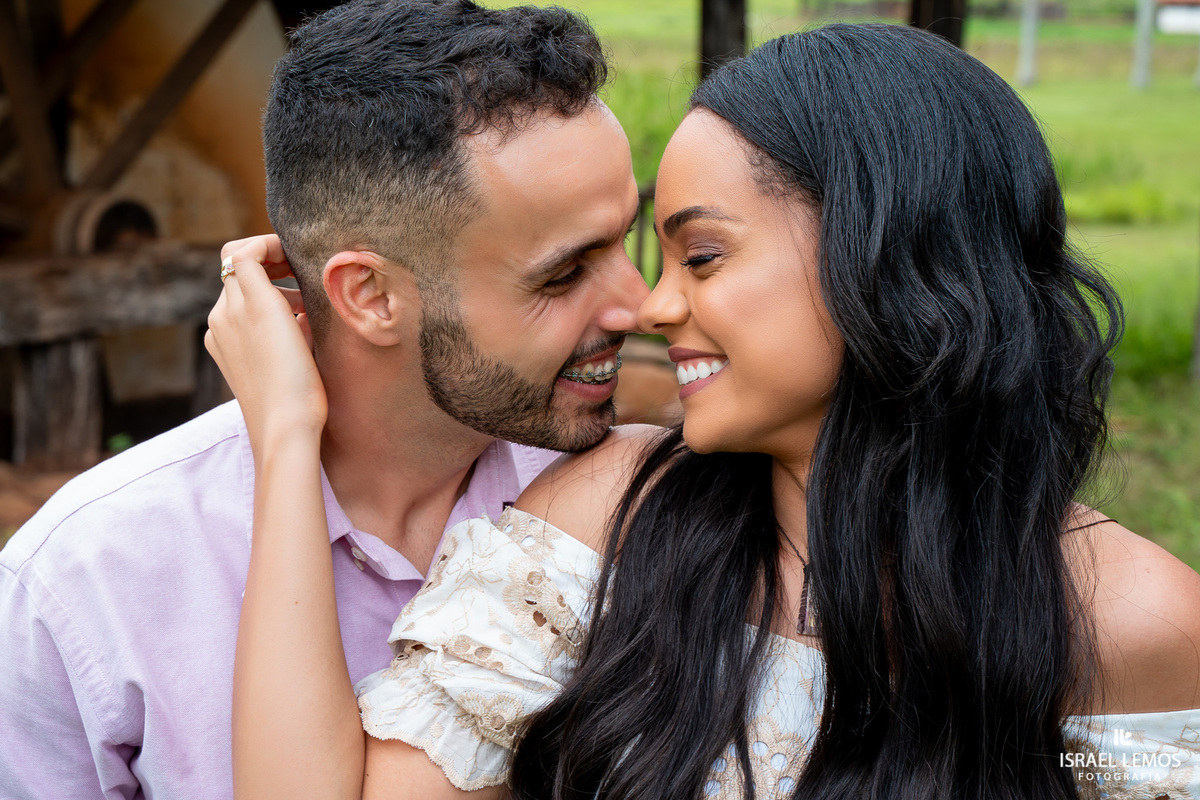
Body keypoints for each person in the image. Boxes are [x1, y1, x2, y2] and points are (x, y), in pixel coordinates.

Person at [210, 22, 1200, 800]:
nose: (654, 305)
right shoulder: (609, 519)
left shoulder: (1128, 618)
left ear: (887, 255)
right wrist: (289, 433)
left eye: (704, 256)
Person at [0, 2, 650, 797]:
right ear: (370, 294)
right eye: (562, 274)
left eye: (626, 237)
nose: (639, 305)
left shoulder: (636, 510)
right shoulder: (83, 579)